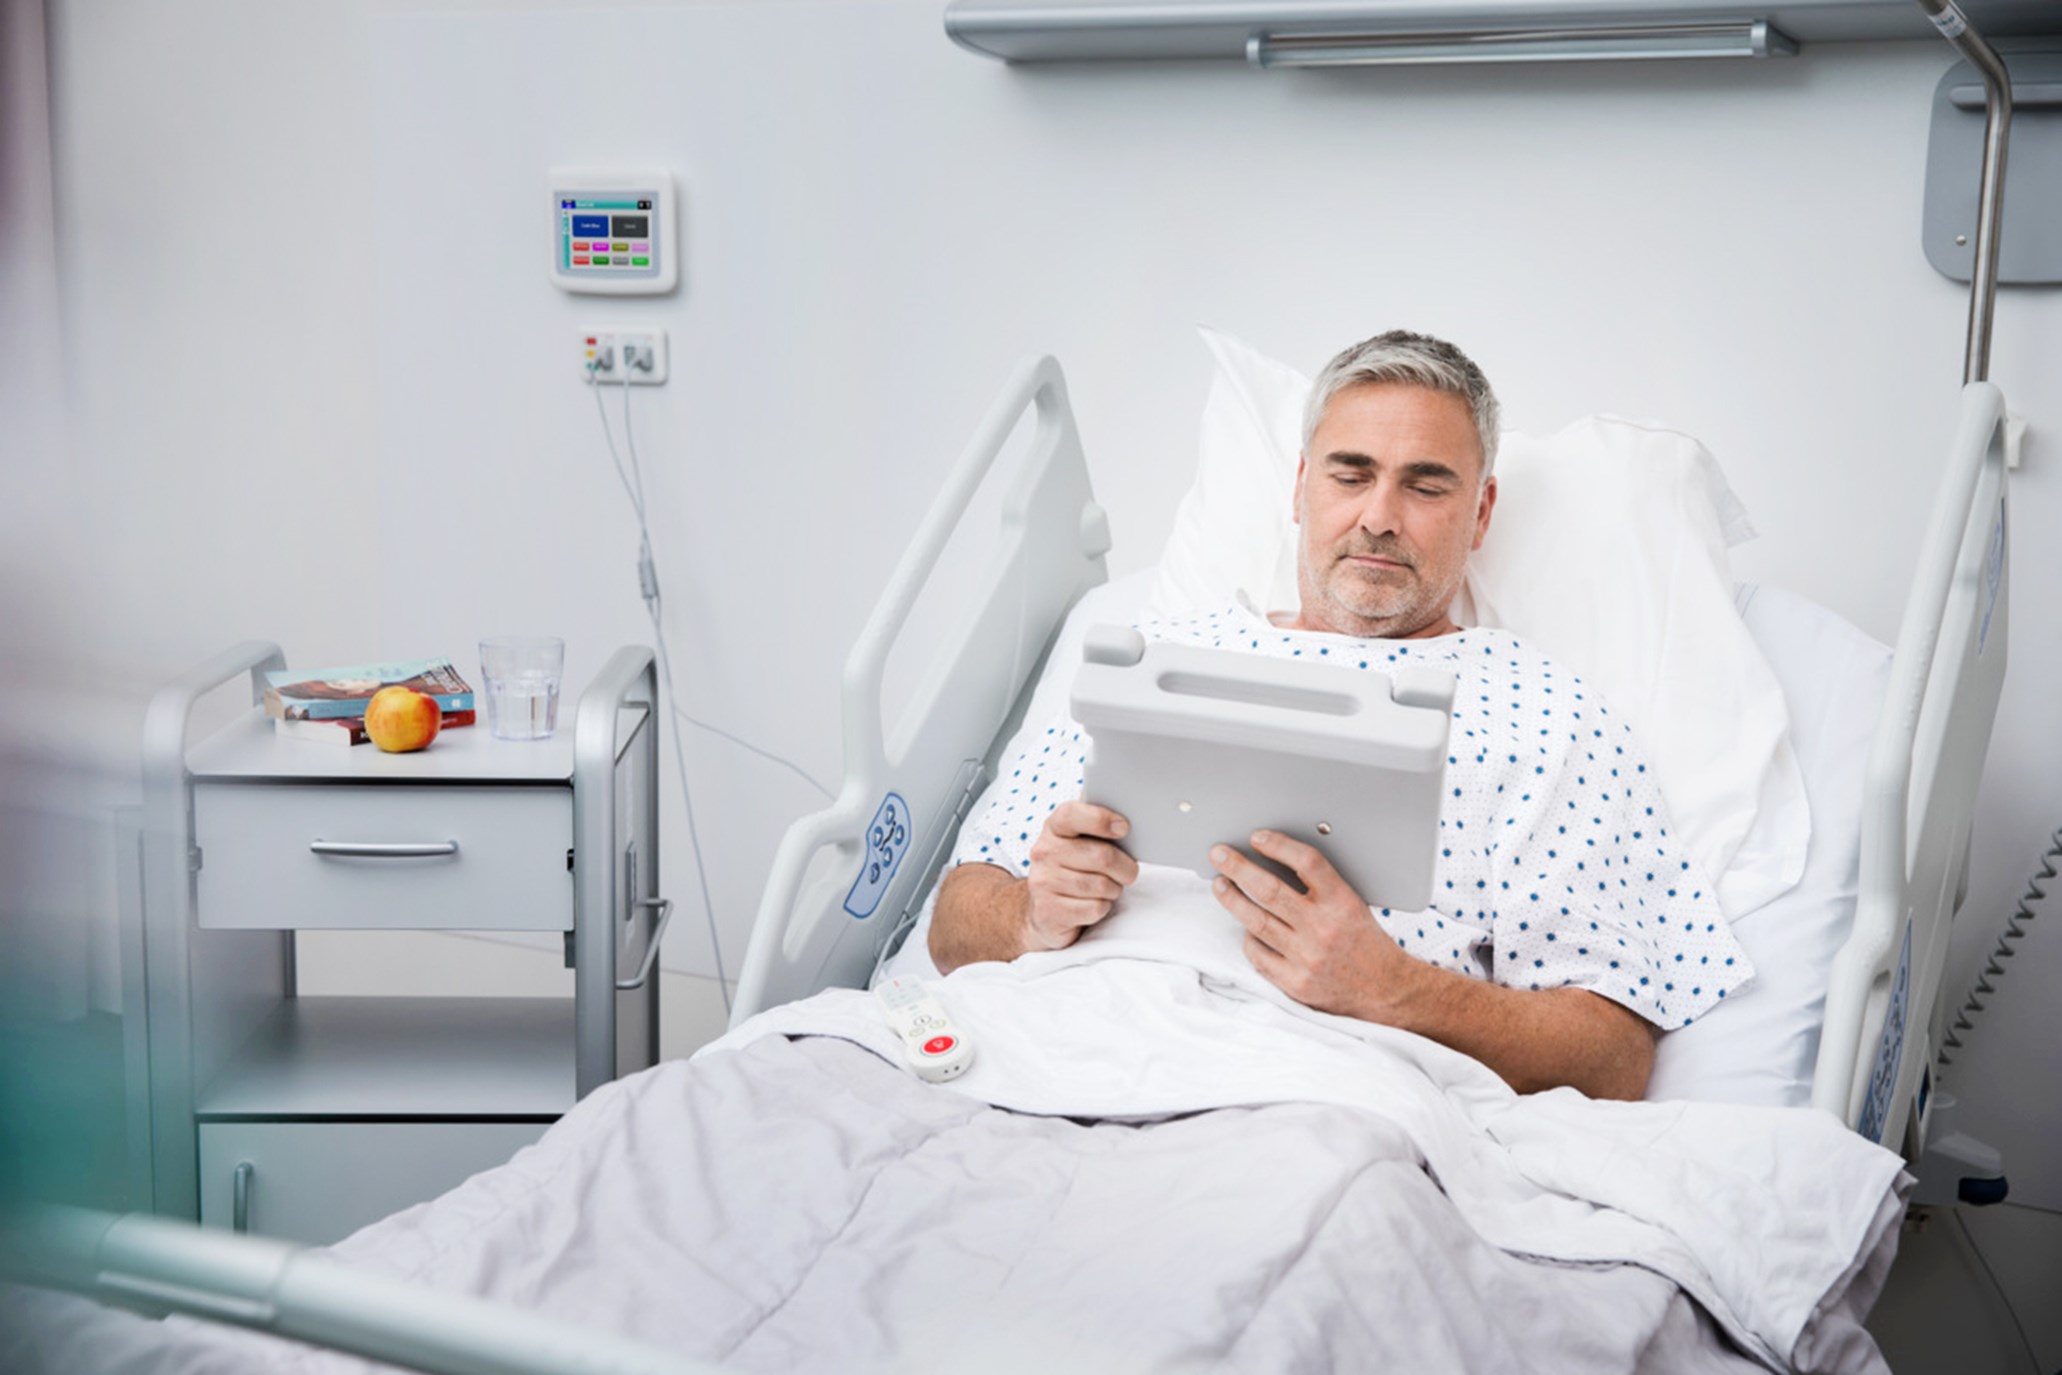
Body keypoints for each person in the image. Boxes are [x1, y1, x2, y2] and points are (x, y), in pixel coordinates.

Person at [927, 330, 1753, 1102]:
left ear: (1482, 512)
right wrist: (1031, 914)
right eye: (1351, 475)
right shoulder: (1153, 659)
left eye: (1425, 485)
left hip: (1309, 1101)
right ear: (1299, 487)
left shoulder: (1546, 717)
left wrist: (1389, 987)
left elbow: (1613, 1058)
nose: (1379, 517)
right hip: (1036, 1061)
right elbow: (956, 921)